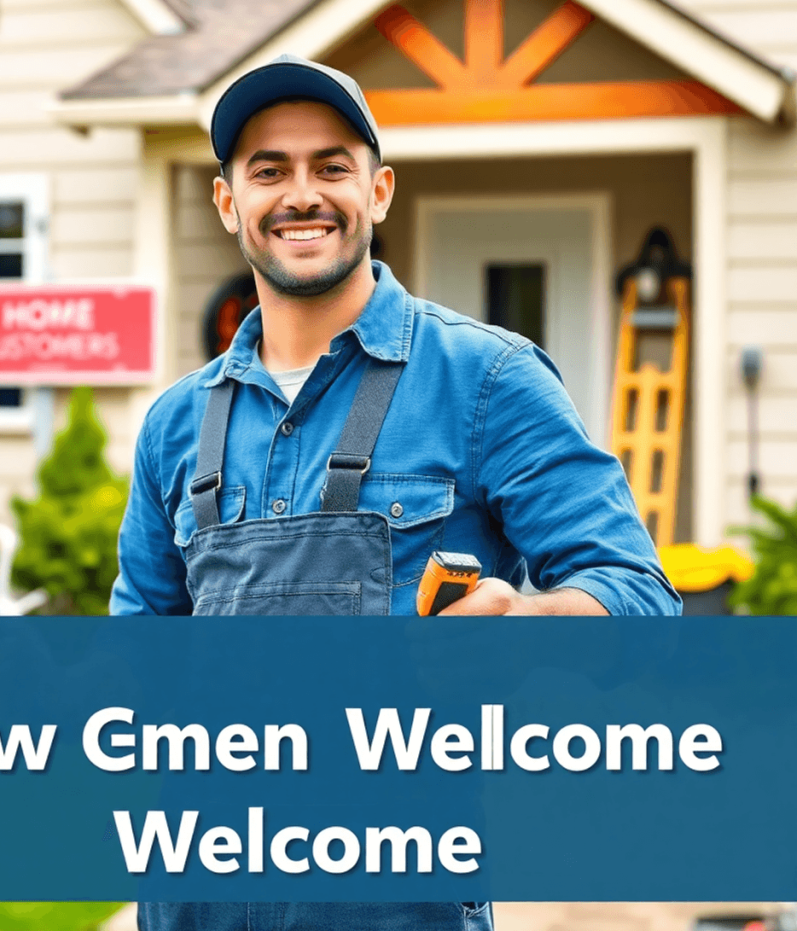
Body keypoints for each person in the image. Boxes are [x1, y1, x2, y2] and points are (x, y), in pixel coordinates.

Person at [111, 54, 681, 930]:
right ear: (230, 204)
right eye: (269, 171)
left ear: (377, 191)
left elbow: (640, 597)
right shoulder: (175, 425)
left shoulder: (488, 381)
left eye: (331, 167)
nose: (302, 194)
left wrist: (528, 626)